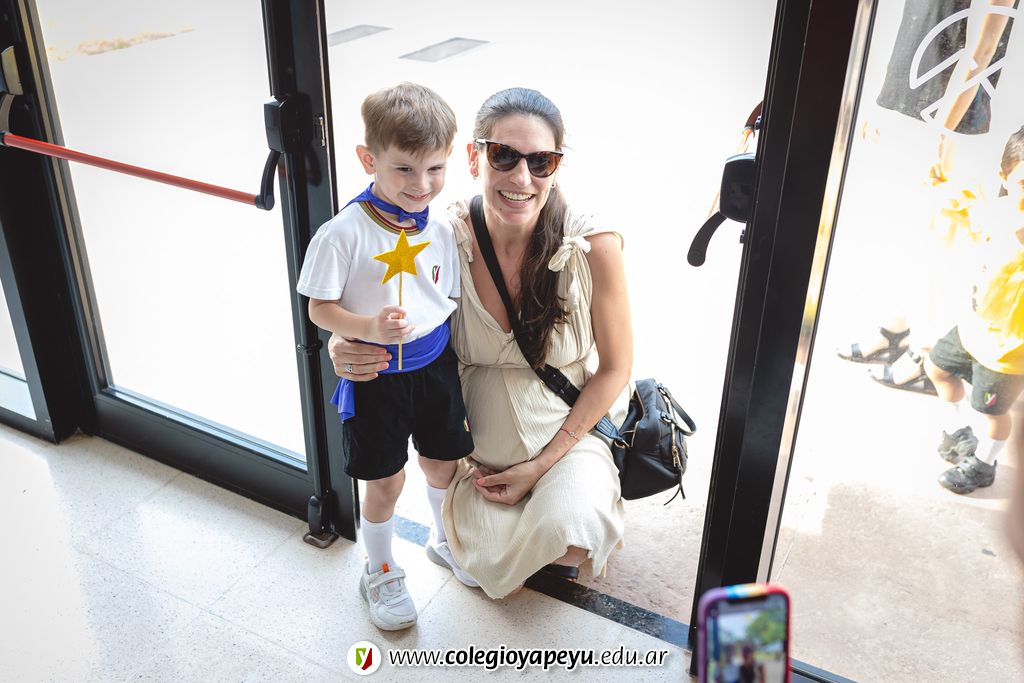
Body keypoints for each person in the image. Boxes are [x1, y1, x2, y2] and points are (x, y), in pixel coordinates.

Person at [328, 87, 633, 599]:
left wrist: (539, 466)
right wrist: (343, 340)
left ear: (557, 167)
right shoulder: (440, 237)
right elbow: (379, 297)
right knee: (494, 549)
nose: (521, 178)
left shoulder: (592, 246)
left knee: (568, 537)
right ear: (474, 157)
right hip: (475, 456)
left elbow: (616, 369)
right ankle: (443, 533)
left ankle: (553, 495)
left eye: (541, 161)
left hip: (565, 438)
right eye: (504, 155)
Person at [295, 83, 476, 630]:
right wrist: (366, 327)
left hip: (435, 368)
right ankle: (378, 567)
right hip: (376, 377)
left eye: (435, 168)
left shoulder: (439, 228)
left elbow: (443, 297)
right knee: (386, 481)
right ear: (367, 159)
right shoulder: (342, 233)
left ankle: (445, 540)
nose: (421, 185)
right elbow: (318, 308)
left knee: (443, 463)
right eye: (404, 169)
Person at [924, 124, 1024, 493]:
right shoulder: (996, 210)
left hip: (1007, 352)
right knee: (936, 368)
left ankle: (985, 463)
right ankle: (958, 432)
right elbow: (956, 198)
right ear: (1004, 177)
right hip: (973, 329)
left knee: (992, 412)